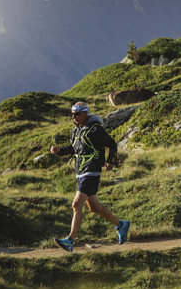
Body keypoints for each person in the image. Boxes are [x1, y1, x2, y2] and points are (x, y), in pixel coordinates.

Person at [50, 102, 130, 252]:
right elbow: (73, 149)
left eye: (77, 114)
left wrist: (109, 161)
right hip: (80, 172)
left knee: (76, 205)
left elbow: (112, 144)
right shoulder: (76, 131)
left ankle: (70, 240)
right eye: (72, 114)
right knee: (94, 207)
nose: (73, 116)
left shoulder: (96, 130)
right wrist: (59, 151)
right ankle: (121, 225)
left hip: (91, 171)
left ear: (85, 113)